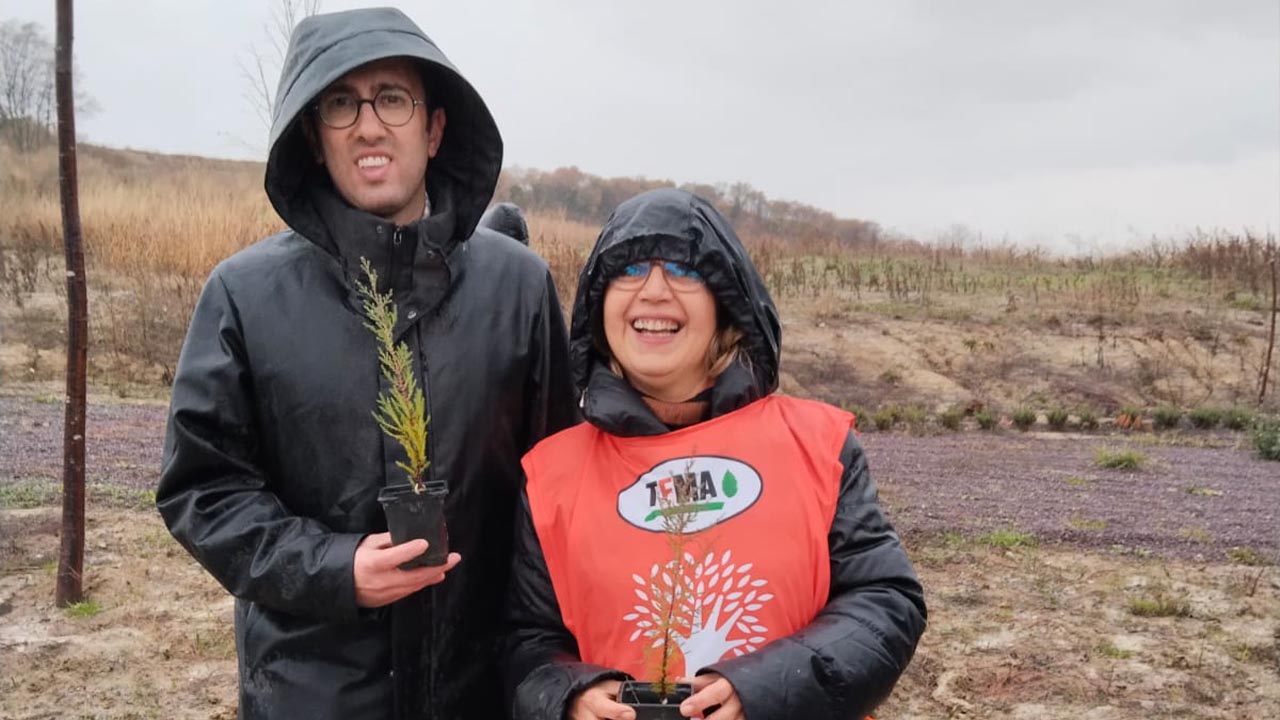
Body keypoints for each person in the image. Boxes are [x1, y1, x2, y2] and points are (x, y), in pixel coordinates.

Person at [156, 8, 575, 719]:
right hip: (311, 692)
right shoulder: (244, 295)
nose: (368, 125)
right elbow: (204, 491)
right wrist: (333, 569)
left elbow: (562, 485)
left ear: (435, 128)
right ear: (313, 139)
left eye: (392, 98)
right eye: (340, 104)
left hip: (480, 689)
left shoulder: (519, 287)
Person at [504, 188, 926, 720]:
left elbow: (886, 602)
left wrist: (764, 689)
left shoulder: (817, 445)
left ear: (725, 302)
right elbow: (526, 641)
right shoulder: (552, 474)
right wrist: (569, 695)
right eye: (629, 270)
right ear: (600, 304)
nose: (653, 291)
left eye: (683, 270)